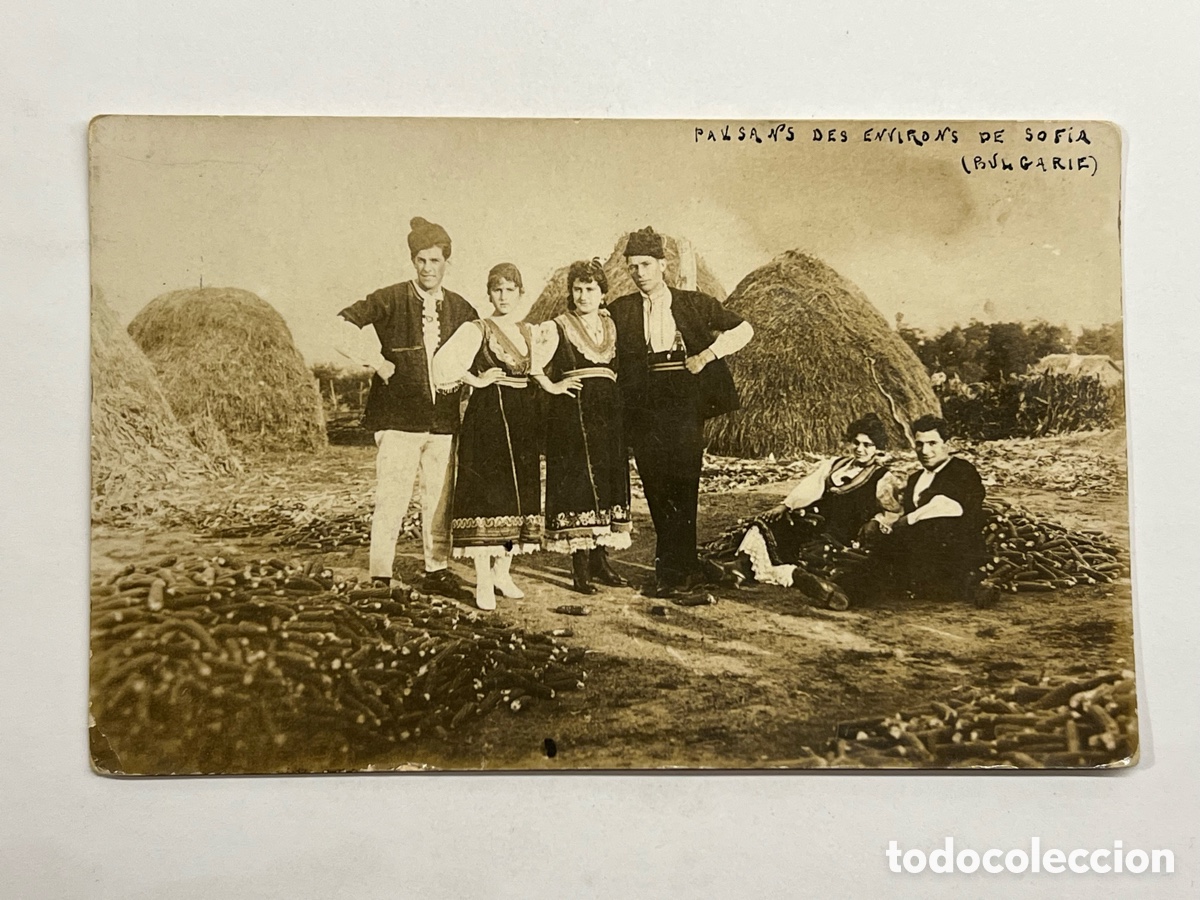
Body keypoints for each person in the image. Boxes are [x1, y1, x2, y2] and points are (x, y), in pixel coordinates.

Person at [607, 227, 753, 598]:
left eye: (646, 264)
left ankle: (679, 569)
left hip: (684, 401)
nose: (640, 272)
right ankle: (677, 567)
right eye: (633, 266)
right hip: (643, 404)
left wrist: (706, 356)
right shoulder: (620, 310)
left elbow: (744, 329)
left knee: (684, 483)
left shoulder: (692, 302)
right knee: (655, 485)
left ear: (663, 264)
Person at [336, 216, 475, 601]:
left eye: (435, 260)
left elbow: (478, 350)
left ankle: (437, 569)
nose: (428, 268)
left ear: (447, 261)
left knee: (439, 498)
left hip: (443, 421)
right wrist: (377, 362)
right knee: (392, 496)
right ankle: (380, 574)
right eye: (421, 260)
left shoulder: (462, 308)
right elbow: (341, 325)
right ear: (413, 261)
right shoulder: (392, 298)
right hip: (397, 418)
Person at [703, 413, 903, 608]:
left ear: (878, 448)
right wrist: (785, 505)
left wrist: (877, 522)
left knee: (815, 555)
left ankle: (792, 577)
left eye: (867, 445)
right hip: (816, 519)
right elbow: (810, 487)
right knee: (770, 526)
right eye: (856, 443)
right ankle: (738, 568)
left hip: (843, 529)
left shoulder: (883, 477)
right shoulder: (836, 464)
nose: (860, 449)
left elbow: (892, 511)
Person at [432, 263, 544, 610]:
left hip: (522, 418)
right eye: (497, 290)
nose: (504, 296)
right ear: (489, 293)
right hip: (489, 419)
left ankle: (502, 573)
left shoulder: (530, 332)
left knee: (517, 495)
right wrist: (476, 379)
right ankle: (482, 581)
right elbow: (442, 365)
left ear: (520, 293)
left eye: (510, 289)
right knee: (488, 496)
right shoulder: (476, 329)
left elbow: (538, 370)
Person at [533, 259, 632, 595]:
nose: (583, 295)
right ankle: (579, 567)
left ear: (603, 293)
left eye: (590, 289)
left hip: (608, 416)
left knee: (607, 482)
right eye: (578, 289)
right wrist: (553, 386)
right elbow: (533, 366)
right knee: (577, 485)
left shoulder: (613, 325)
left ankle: (600, 561)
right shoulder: (557, 326)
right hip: (572, 416)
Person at [876, 414, 991, 603]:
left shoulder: (962, 471)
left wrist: (909, 520)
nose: (925, 451)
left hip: (953, 553)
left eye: (932, 443)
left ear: (948, 444)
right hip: (919, 551)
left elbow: (950, 505)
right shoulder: (914, 479)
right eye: (919, 444)